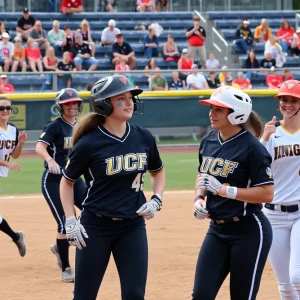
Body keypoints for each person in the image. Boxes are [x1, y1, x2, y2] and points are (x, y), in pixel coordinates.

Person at [60, 75, 165, 300]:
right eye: (121, 99)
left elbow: (158, 171)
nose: (129, 103)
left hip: (133, 226)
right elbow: (67, 182)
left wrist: (156, 199)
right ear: (104, 104)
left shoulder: (143, 137)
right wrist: (70, 220)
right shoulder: (88, 143)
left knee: (134, 294)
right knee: (84, 295)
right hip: (95, 226)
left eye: (130, 98)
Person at [193, 86, 274, 300]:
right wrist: (199, 198)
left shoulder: (253, 148)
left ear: (237, 113)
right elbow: (202, 176)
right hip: (216, 230)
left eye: (219, 109)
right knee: (201, 295)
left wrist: (223, 190)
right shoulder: (208, 141)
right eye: (211, 108)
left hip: (249, 230)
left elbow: (267, 194)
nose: (212, 113)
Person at [36, 88, 86, 283]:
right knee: (64, 222)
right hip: (54, 180)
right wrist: (50, 160)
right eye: (68, 103)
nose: (72, 106)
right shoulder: (54, 126)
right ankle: (66, 268)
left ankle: (60, 245)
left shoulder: (82, 126)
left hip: (75, 179)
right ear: (60, 107)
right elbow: (40, 146)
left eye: (75, 103)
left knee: (93, 207)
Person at [260, 80, 300, 300]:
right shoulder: (271, 135)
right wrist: (264, 138)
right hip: (273, 215)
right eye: (284, 99)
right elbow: (255, 167)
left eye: (294, 100)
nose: (288, 104)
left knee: (298, 277)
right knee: (285, 286)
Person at [0, 96, 27, 257]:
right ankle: (16, 237)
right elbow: (10, 161)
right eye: (1, 108)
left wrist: (21, 144)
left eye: (7, 108)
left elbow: (15, 156)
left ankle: (16, 236)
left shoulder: (12, 130)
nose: (4, 111)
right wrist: (7, 164)